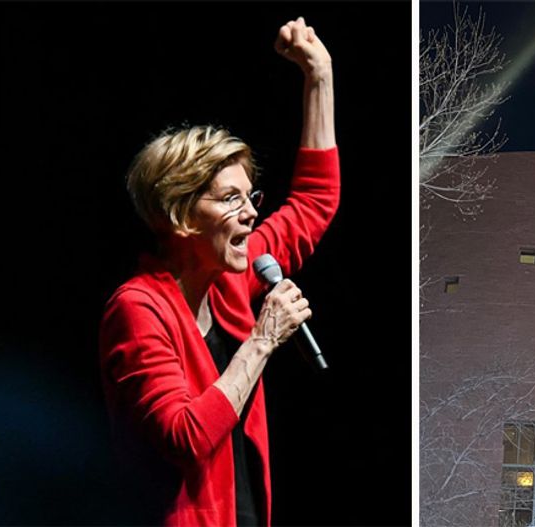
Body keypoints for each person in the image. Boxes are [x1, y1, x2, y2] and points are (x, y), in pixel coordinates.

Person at [98, 17, 337, 527]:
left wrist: (319, 75)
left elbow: (315, 200)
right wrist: (263, 339)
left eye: (250, 196)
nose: (252, 213)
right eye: (231, 200)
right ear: (182, 216)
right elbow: (184, 435)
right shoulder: (137, 309)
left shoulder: (229, 279)